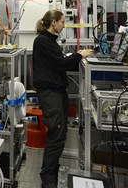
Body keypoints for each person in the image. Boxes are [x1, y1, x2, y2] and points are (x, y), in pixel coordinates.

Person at [32, 10, 93, 188]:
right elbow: (60, 63)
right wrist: (80, 55)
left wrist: (77, 56)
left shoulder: (50, 40)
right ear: (53, 23)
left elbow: (59, 62)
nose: (64, 25)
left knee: (59, 133)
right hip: (50, 93)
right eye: (62, 22)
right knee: (56, 135)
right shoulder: (43, 41)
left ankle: (51, 170)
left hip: (57, 91)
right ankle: (48, 178)